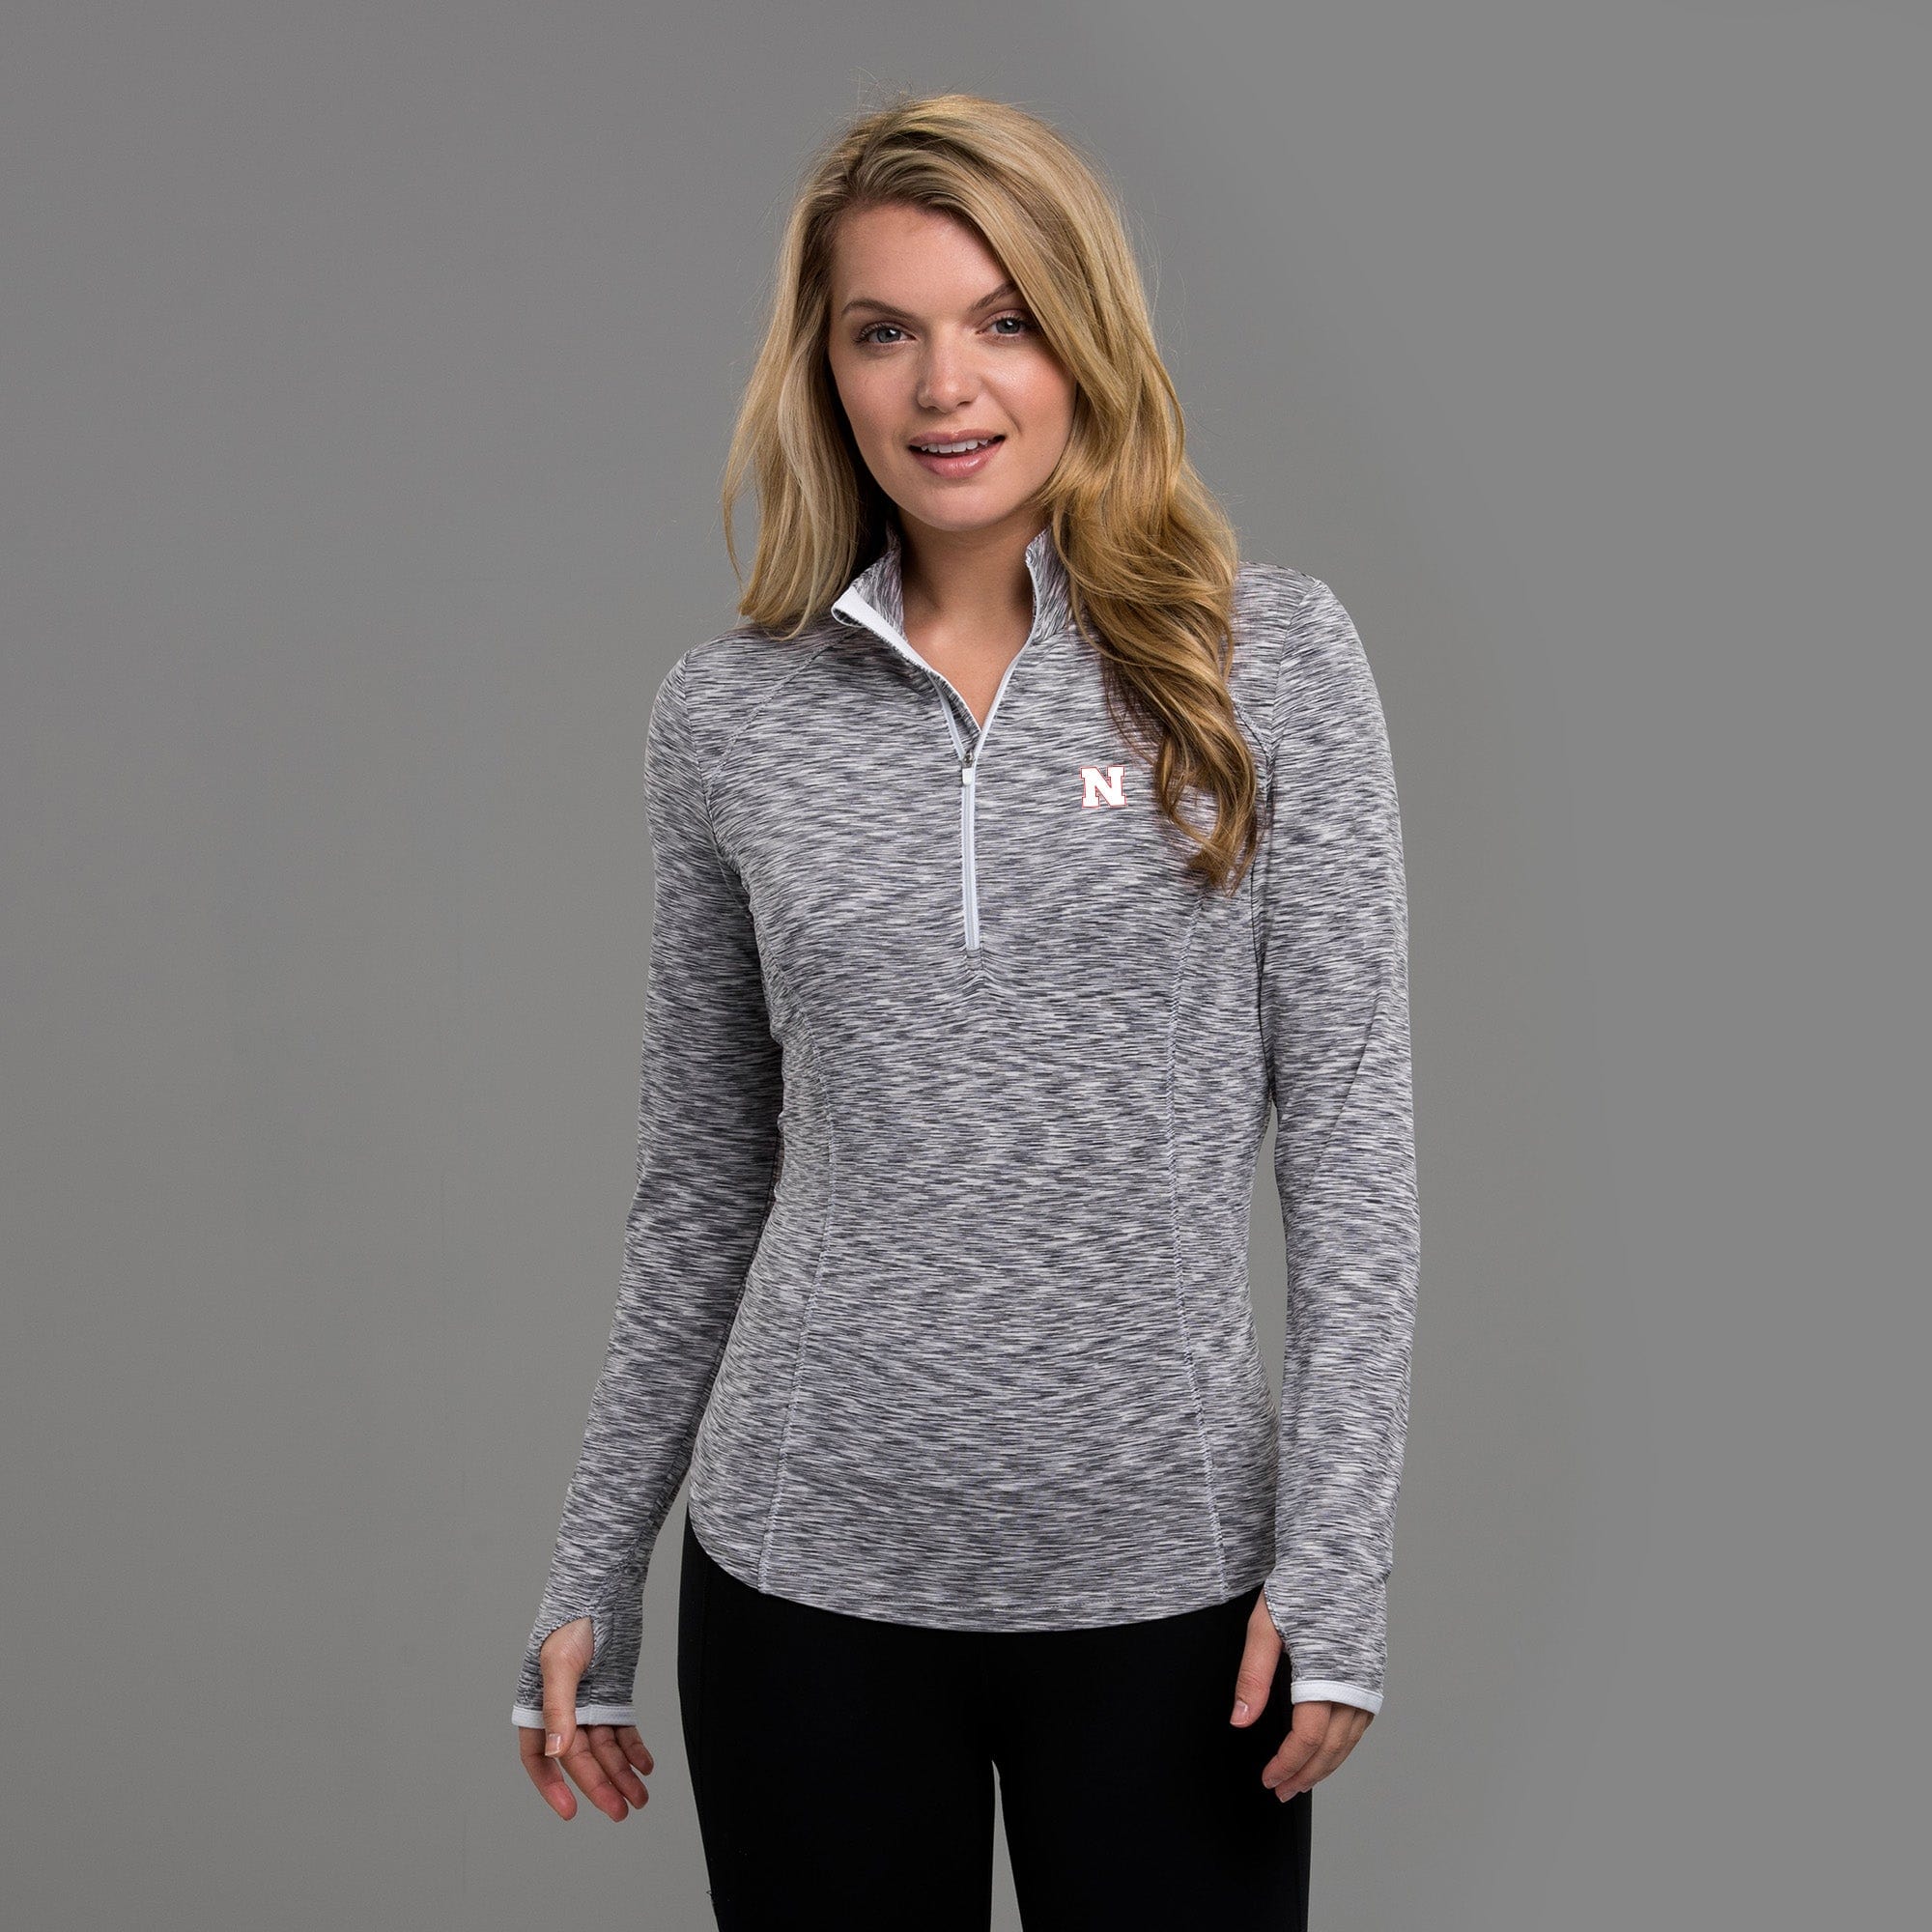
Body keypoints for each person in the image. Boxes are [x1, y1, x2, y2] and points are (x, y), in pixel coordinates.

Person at [511, 90, 1419, 1930]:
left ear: (1085, 339)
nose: (948, 385)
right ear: (825, 370)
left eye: (1004, 320)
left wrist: (1334, 1563)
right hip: (803, 1586)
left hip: (1174, 1596)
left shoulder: (1271, 663)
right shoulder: (730, 720)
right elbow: (700, 1186)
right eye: (885, 330)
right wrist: (594, 1561)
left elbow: (1351, 1151)